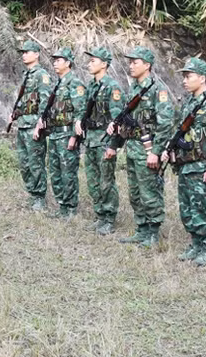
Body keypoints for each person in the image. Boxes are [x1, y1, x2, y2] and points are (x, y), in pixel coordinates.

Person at [162, 57, 206, 266]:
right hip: (185, 165)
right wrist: (169, 149)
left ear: (202, 78)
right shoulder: (188, 102)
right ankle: (195, 243)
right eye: (183, 76)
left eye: (188, 76)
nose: (184, 80)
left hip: (203, 166)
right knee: (187, 207)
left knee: (203, 207)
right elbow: (178, 131)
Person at [105, 46, 174, 248]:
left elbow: (166, 123)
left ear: (147, 65)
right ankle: (142, 229)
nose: (131, 65)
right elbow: (127, 121)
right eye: (130, 62)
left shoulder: (157, 90)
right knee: (135, 193)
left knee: (149, 192)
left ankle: (153, 234)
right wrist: (114, 144)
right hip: (133, 147)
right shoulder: (133, 89)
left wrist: (155, 151)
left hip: (147, 149)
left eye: (135, 62)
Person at [77, 47, 125, 235]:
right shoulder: (92, 86)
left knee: (106, 181)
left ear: (104, 64)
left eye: (93, 61)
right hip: (91, 139)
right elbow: (84, 109)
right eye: (89, 61)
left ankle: (109, 217)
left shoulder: (112, 87)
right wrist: (78, 122)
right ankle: (100, 215)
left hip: (104, 141)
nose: (89, 64)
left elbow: (117, 120)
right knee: (93, 180)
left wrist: (113, 145)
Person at [36, 47, 86, 219]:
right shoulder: (58, 85)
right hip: (55, 134)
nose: (55, 63)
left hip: (67, 135)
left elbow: (80, 111)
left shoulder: (75, 84)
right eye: (54, 60)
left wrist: (74, 136)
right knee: (55, 172)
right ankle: (62, 206)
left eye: (59, 60)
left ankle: (71, 208)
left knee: (68, 173)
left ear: (68, 63)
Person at [8, 40, 53, 211]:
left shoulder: (42, 75)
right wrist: (15, 114)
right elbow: (25, 101)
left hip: (34, 126)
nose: (24, 55)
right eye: (23, 52)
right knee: (24, 163)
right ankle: (33, 193)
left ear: (37, 54)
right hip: (23, 125)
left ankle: (40, 198)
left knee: (36, 163)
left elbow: (45, 102)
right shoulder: (26, 75)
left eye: (28, 52)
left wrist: (40, 125)